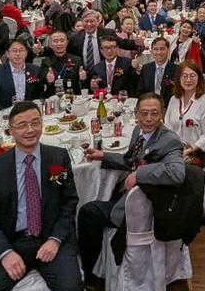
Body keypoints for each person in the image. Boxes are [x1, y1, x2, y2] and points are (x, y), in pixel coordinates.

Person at [0, 101, 82, 291]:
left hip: (50, 237)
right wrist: (5, 252)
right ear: (10, 130)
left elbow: (69, 202)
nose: (30, 130)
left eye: (35, 123)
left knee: (72, 287)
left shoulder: (58, 158)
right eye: (22, 125)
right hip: (12, 241)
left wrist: (55, 239)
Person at [77, 93, 185, 286]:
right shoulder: (138, 131)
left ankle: (91, 276)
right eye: (144, 113)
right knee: (101, 192)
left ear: (163, 113)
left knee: (87, 212)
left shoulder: (169, 141)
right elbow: (130, 161)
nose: (149, 119)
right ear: (136, 114)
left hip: (142, 209)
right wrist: (103, 155)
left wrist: (139, 174)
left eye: (154, 113)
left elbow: (177, 173)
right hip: (127, 193)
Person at [164, 60, 205, 166]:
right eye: (184, 76)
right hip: (174, 149)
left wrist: (190, 150)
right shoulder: (174, 99)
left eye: (192, 76)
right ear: (179, 78)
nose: (188, 80)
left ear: (199, 78)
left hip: (196, 152)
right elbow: (167, 126)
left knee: (173, 169)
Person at [0, 39, 43, 115]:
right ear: (7, 53)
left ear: (26, 53)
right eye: (14, 50)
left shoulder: (35, 70)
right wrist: (4, 112)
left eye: (21, 50)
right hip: (6, 114)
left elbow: (39, 93)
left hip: (29, 112)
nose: (18, 54)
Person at [37, 31, 85, 100]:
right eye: (55, 41)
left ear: (67, 42)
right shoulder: (46, 61)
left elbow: (83, 81)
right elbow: (41, 80)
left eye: (62, 41)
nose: (59, 44)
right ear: (50, 44)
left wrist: (83, 78)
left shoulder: (77, 60)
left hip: (73, 97)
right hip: (53, 98)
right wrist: (48, 80)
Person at [139, 36, 177, 105]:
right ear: (151, 51)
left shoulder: (177, 70)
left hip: (169, 106)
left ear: (168, 50)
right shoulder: (146, 68)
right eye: (155, 49)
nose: (159, 52)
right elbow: (141, 92)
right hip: (149, 105)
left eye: (162, 49)